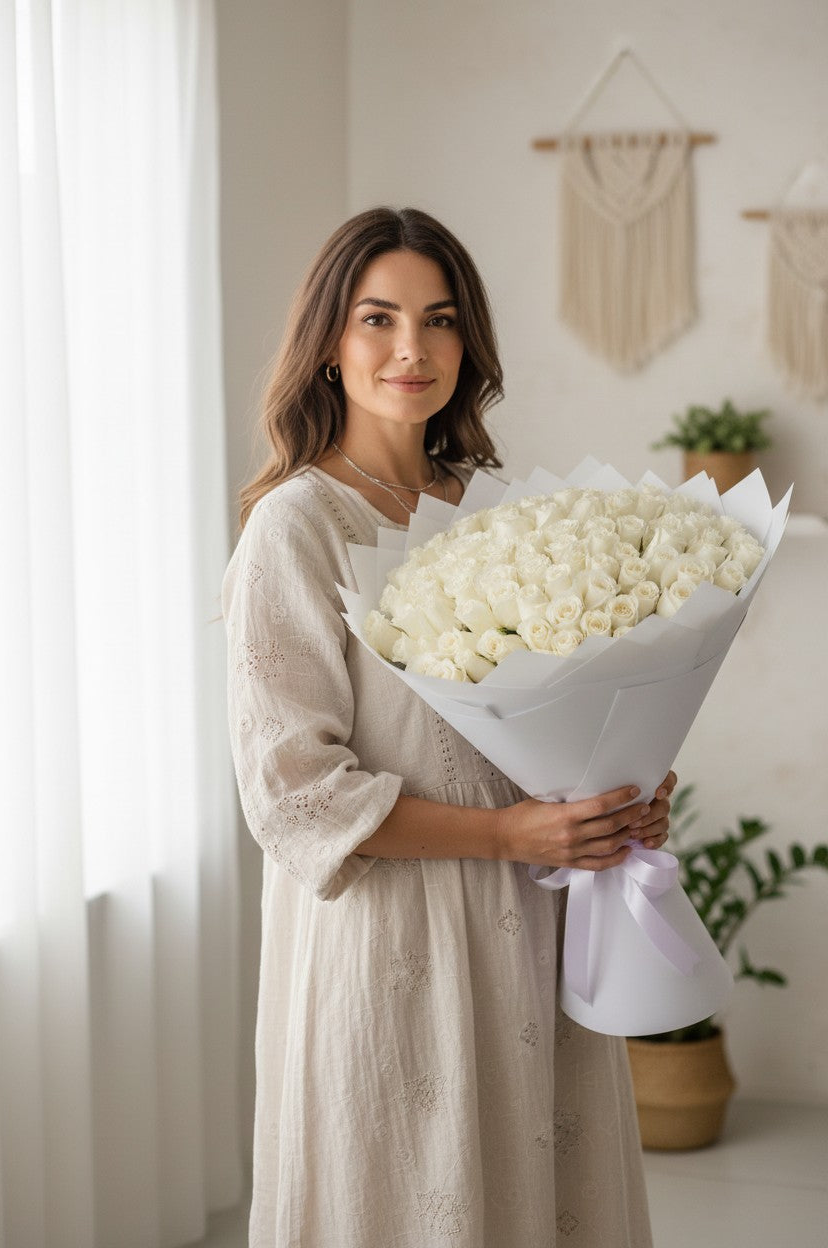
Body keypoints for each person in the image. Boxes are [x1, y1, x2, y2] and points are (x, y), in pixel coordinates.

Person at [223, 206, 676, 1247]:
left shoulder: (499, 507)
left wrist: (629, 784)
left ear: (467, 343)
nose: (410, 350)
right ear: (329, 344)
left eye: (438, 320)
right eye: (377, 319)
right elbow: (292, 793)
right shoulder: (296, 527)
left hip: (535, 930)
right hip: (395, 945)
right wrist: (505, 836)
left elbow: (569, 712)